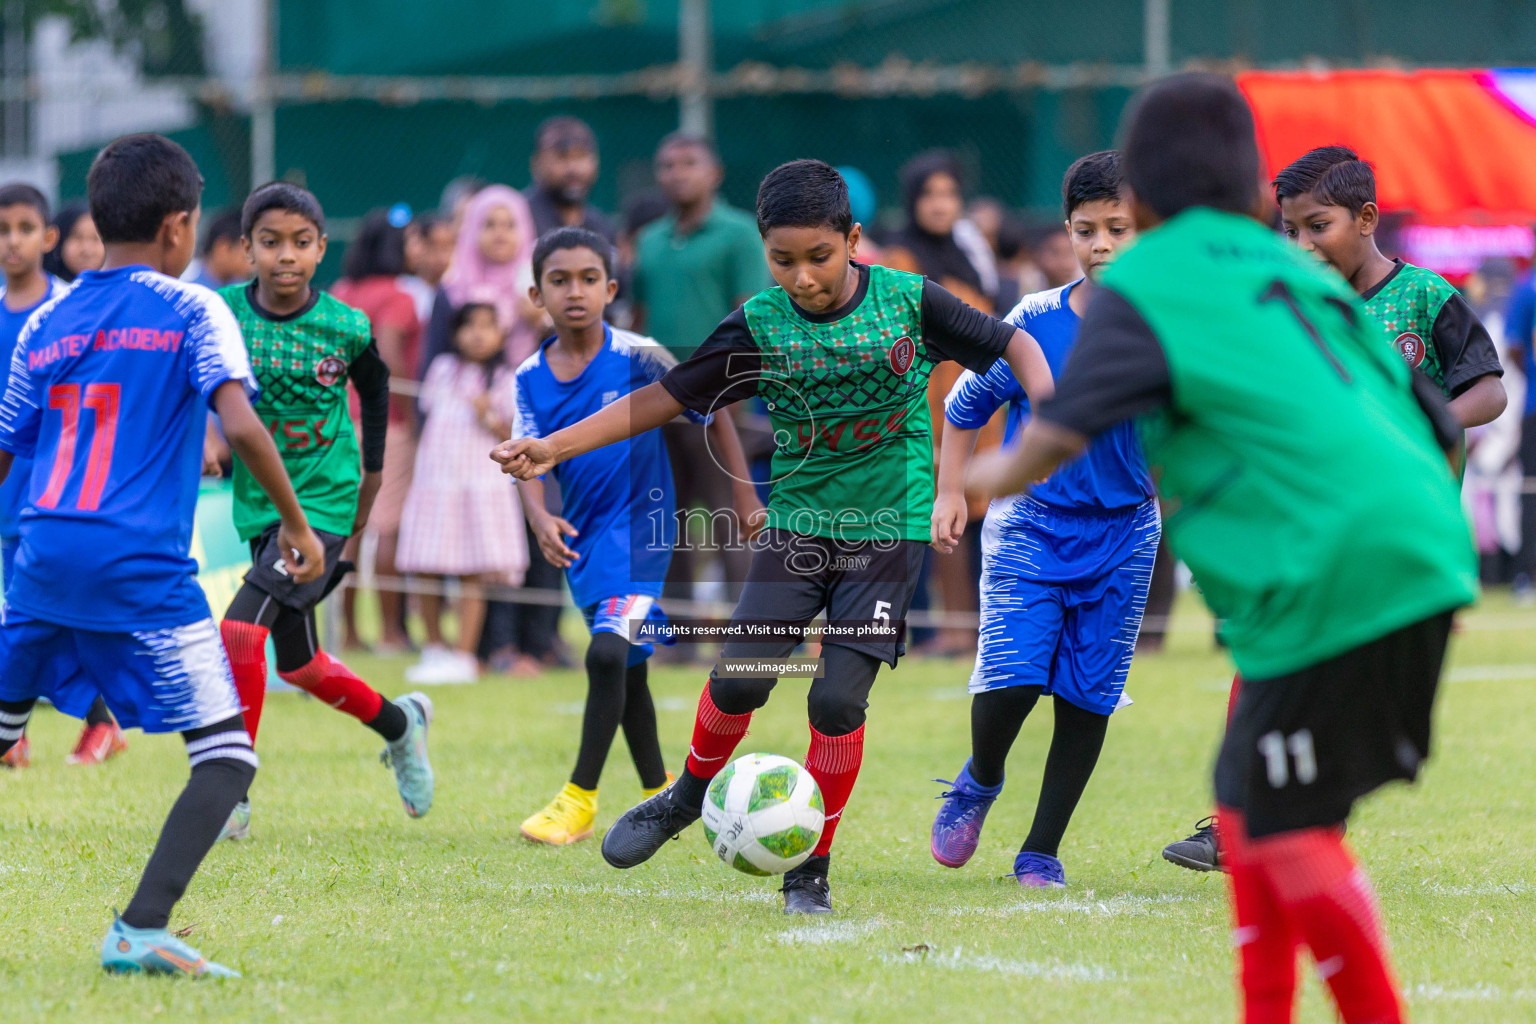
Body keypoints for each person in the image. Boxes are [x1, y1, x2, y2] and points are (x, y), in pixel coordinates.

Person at [966, 74, 1477, 1024]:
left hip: (1331, 576)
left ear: (1144, 204)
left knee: (1284, 834)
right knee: (1244, 814)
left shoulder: (1152, 283)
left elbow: (1054, 432)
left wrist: (980, 482)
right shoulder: (1292, 272)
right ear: (1255, 195)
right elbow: (1442, 428)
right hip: (1413, 551)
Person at [494, 159, 1055, 913]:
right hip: (796, 530)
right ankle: (685, 797)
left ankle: (809, 870)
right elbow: (668, 396)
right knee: (741, 680)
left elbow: (1012, 346)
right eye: (782, 260)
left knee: (834, 704)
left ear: (853, 240)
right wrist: (555, 446)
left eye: (819, 257)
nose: (803, 277)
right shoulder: (759, 323)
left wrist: (1051, 421)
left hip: (886, 534)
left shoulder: (909, 302)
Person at [0, 133, 328, 975]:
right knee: (226, 756)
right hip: (138, 569)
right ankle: (140, 928)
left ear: (94, 223)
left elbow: (7, 449)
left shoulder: (46, 317)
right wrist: (296, 526)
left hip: (39, 557)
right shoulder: (193, 307)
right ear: (181, 227)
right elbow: (243, 422)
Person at [1162, 143, 1508, 873]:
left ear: (1367, 219)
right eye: (1289, 230)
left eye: (1317, 226)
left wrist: (1419, 421)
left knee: (1341, 688)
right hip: (1301, 523)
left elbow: (1490, 391)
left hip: (1389, 534)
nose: (1302, 244)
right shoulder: (1295, 302)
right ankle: (1242, 824)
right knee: (1267, 658)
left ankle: (1304, 828)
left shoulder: (1424, 298)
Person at [928, 151, 1156, 888]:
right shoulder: (1033, 320)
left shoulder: (1175, 329)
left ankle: (1041, 850)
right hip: (1033, 525)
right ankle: (981, 778)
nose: (1102, 246)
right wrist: (950, 492)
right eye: (1087, 231)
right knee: (1013, 678)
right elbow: (964, 407)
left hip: (1126, 535)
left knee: (1089, 698)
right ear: (1067, 234)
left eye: (1118, 229)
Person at [514, 226, 762, 844]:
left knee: (604, 653)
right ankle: (661, 792)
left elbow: (714, 403)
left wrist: (741, 490)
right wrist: (541, 517)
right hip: (587, 538)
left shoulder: (640, 354)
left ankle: (578, 798)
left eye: (589, 279)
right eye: (560, 281)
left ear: (612, 288)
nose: (576, 292)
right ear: (535, 294)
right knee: (629, 667)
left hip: (645, 533)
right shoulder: (527, 375)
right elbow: (525, 457)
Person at [215, 181, 436, 841]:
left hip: (324, 503)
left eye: (300, 243)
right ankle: (402, 726)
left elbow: (376, 401)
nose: (286, 256)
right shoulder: (222, 314)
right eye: (270, 241)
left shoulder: (346, 326)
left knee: (239, 632)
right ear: (246, 248)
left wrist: (366, 491)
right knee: (300, 663)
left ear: (321, 250)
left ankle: (231, 788)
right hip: (261, 504)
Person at [0, 183, 127, 768]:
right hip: (5, 486)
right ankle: (19, 734)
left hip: (55, 491)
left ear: (48, 237)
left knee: (52, 616)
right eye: (3, 230)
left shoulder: (69, 311)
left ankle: (100, 722)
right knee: (17, 614)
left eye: (24, 228)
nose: (13, 241)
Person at [632, 132, 770, 612]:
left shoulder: (738, 234)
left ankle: (751, 630)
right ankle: (680, 634)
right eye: (668, 165)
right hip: (658, 402)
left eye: (690, 163)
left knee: (729, 517)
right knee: (666, 517)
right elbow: (639, 325)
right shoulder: (648, 241)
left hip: (719, 402)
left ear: (714, 173)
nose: (678, 173)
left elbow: (750, 320)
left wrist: (730, 394)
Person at [430, 184, 555, 675]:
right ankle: (487, 646)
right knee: (483, 541)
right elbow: (433, 362)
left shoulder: (539, 286)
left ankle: (539, 643)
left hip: (539, 421)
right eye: (488, 223)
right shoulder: (454, 287)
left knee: (538, 528)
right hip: (470, 440)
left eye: (509, 224)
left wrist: (540, 317)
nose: (499, 235)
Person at [884, 149, 1000, 657]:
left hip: (984, 405)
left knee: (981, 520)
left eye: (950, 193)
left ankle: (977, 628)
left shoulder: (970, 254)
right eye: (929, 194)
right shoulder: (900, 259)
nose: (940, 204)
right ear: (912, 201)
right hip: (928, 409)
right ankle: (949, 630)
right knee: (939, 521)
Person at [398, 302, 528, 685]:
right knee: (426, 563)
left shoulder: (507, 378)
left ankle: (464, 654)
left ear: (501, 334)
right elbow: (427, 414)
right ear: (455, 332)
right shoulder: (441, 370)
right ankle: (434, 647)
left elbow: (513, 435)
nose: (477, 334)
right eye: (469, 325)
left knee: (472, 570)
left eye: (488, 326)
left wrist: (489, 414)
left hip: (479, 484)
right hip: (436, 481)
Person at [332, 210, 421, 653]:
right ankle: (390, 632)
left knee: (349, 530)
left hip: (336, 420)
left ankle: (347, 633)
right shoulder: (399, 296)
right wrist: (407, 415)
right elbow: (390, 355)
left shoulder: (341, 292)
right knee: (388, 527)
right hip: (383, 420)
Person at [524, 116, 615, 241]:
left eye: (581, 157)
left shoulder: (600, 226)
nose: (573, 168)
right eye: (562, 157)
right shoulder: (516, 220)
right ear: (536, 164)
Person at [184, 208, 248, 290]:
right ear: (223, 248)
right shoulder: (186, 282)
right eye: (244, 258)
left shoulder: (241, 286)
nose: (251, 267)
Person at [42, 201, 104, 283]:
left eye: (95, 238)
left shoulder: (117, 290)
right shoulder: (48, 290)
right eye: (77, 237)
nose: (87, 250)